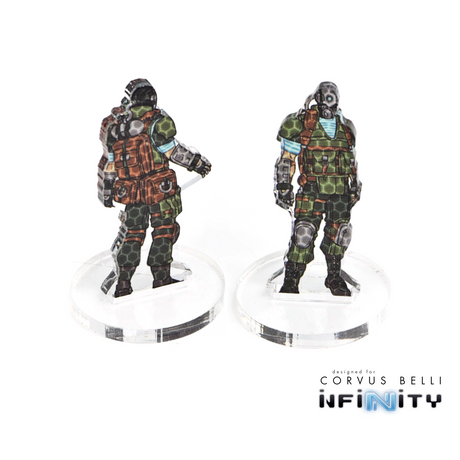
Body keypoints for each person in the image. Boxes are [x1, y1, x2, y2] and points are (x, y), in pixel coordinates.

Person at [98, 78, 211, 297]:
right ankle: (161, 279)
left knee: (131, 236)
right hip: (159, 191)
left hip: (131, 194)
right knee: (164, 232)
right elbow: (173, 151)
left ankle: (123, 284)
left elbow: (109, 163)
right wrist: (197, 163)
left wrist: (106, 191)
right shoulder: (157, 122)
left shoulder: (116, 128)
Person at [274, 82, 361, 296]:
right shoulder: (302, 124)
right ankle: (291, 280)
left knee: (340, 235)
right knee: (303, 234)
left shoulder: (346, 127)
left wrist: (355, 185)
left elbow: (351, 160)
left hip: (340, 193)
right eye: (324, 102)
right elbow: (287, 159)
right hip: (311, 190)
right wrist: (283, 186)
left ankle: (334, 277)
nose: (328, 108)